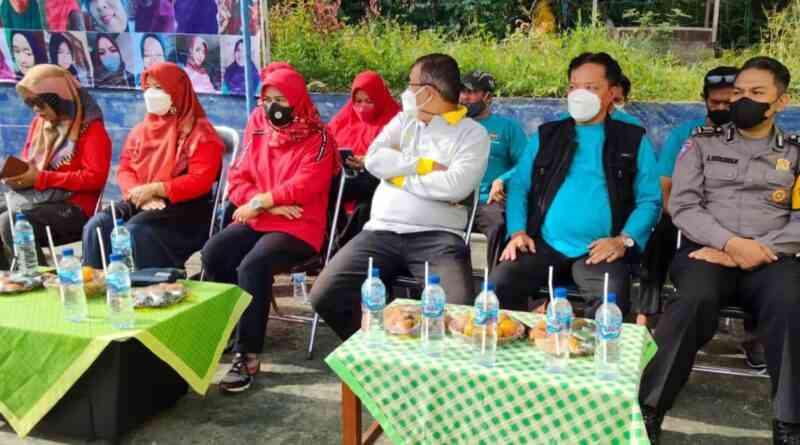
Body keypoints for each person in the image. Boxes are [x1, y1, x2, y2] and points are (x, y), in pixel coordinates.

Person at [639, 56, 800, 445]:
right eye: (739, 92)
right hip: (707, 254)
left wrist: (756, 250)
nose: (743, 100)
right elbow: (683, 206)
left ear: (781, 101)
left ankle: (789, 423)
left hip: (772, 258)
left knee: (792, 304)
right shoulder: (701, 143)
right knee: (693, 301)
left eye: (757, 93)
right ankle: (648, 410)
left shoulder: (796, 153)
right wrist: (730, 245)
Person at [309, 53, 490, 341]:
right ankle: (380, 349)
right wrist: (423, 166)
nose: (406, 91)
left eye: (411, 84)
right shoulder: (404, 120)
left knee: (457, 313)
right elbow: (374, 160)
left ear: (428, 92)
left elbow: (454, 187)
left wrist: (396, 176)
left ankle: (423, 358)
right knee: (325, 294)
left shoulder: (472, 134)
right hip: (381, 232)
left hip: (438, 237)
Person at [489, 52, 661, 318]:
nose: (579, 95)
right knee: (499, 285)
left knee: (610, 306)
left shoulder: (632, 139)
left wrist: (623, 240)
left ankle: (595, 347)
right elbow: (520, 186)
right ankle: (516, 339)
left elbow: (649, 200)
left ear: (612, 93)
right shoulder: (547, 136)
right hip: (543, 243)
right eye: (573, 87)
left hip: (600, 249)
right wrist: (518, 232)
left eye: (591, 88)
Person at [202, 67, 338, 393]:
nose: (273, 106)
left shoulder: (318, 137)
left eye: (281, 99)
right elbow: (238, 177)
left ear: (297, 100)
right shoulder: (259, 127)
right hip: (261, 215)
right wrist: (265, 205)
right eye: (267, 99)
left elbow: (307, 184)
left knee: (253, 265)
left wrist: (264, 200)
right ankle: (231, 328)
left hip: (300, 224)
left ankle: (247, 355)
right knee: (215, 252)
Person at [82, 62, 223, 270]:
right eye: (148, 87)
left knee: (136, 231)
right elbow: (125, 168)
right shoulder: (142, 130)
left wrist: (157, 189)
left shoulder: (200, 133)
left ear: (177, 91)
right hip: (141, 199)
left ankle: (151, 285)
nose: (150, 93)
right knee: (97, 226)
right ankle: (97, 283)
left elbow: (200, 180)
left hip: (186, 208)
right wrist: (139, 193)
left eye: (159, 88)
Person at [638, 66, 738, 324]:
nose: (721, 108)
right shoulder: (686, 134)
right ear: (704, 99)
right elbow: (665, 183)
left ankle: (753, 330)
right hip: (687, 213)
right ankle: (646, 313)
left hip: (734, 219)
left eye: (728, 103)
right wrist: (678, 215)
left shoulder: (751, 136)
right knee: (660, 234)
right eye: (715, 102)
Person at [0, 64, 110, 270]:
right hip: (39, 197)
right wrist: (18, 175)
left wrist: (42, 178)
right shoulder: (40, 124)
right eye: (30, 104)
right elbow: (30, 163)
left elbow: (95, 178)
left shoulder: (91, 130)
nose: (36, 110)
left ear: (60, 99)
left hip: (75, 208)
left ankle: (36, 279)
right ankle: (8, 278)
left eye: (40, 104)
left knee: (11, 222)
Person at [458, 70, 528, 269]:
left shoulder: (507, 128)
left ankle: (495, 280)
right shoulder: (452, 125)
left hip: (488, 200)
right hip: (455, 199)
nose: (464, 97)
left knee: (498, 224)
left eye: (471, 92)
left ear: (487, 97)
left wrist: (503, 179)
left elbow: (527, 163)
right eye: (462, 91)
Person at [328, 70, 401, 246]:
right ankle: (331, 242)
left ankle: (341, 245)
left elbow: (399, 157)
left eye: (369, 101)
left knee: (365, 203)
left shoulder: (396, 120)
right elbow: (326, 142)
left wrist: (368, 161)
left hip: (379, 179)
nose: (362, 107)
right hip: (344, 175)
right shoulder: (344, 118)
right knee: (324, 189)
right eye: (358, 101)